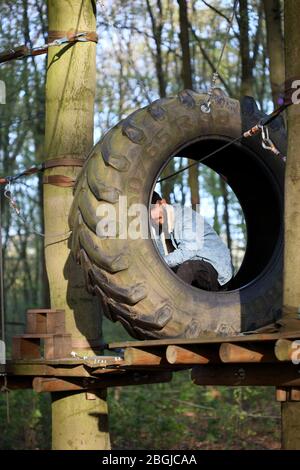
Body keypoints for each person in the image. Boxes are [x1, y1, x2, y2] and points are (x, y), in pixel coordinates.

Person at [150, 191, 233, 291]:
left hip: (217, 270)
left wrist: (158, 262)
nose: (153, 216)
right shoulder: (162, 226)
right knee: (170, 271)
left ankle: (175, 304)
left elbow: (187, 252)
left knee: (187, 268)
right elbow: (162, 258)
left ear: (162, 203)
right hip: (197, 265)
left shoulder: (185, 216)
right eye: (149, 214)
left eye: (153, 208)